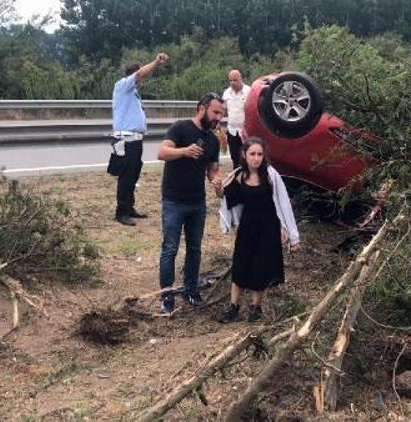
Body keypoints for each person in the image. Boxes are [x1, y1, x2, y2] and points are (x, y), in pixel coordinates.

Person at [218, 137, 299, 323]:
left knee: (260, 266)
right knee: (240, 263)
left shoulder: (271, 176)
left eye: (259, 154)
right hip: (247, 227)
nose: (256, 158)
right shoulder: (239, 176)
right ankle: (233, 306)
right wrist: (218, 189)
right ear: (244, 155)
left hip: (268, 227)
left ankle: (256, 306)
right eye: (252, 154)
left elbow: (282, 203)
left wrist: (286, 229)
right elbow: (229, 199)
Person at [157, 92, 225, 314]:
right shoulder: (181, 128)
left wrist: (216, 180)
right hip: (173, 201)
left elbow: (212, 170)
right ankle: (167, 294)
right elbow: (162, 152)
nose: (218, 119)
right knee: (170, 248)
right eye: (215, 112)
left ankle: (191, 289)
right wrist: (184, 151)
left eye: (221, 115)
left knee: (195, 248)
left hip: (197, 202)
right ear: (202, 108)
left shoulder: (213, 140)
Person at [112, 52, 169, 226]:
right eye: (139, 75)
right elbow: (140, 74)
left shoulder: (133, 92)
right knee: (126, 176)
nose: (141, 79)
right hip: (126, 140)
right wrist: (156, 63)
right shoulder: (123, 85)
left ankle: (129, 207)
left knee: (133, 175)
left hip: (135, 140)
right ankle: (121, 212)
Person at [222, 69, 251, 168]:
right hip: (232, 130)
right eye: (230, 80)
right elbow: (223, 110)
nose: (232, 83)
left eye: (235, 80)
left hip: (246, 131)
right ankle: (237, 178)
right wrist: (217, 123)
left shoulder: (249, 91)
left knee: (247, 156)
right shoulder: (226, 93)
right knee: (235, 157)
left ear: (241, 79)